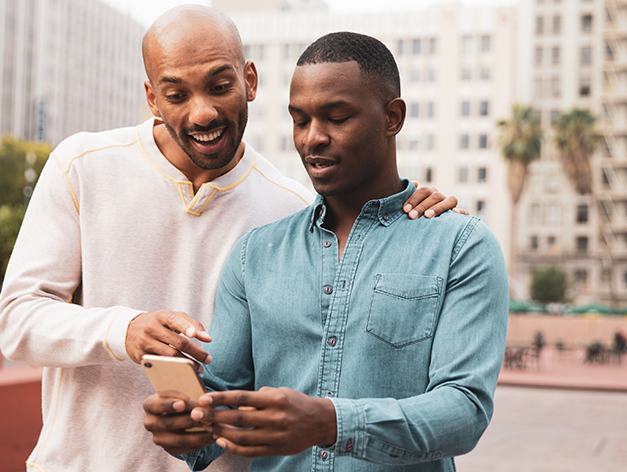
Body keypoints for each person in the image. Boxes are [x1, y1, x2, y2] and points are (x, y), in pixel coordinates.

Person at [0, 6, 457, 472]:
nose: (203, 112)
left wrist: (410, 206)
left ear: (249, 81)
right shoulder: (82, 166)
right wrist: (124, 330)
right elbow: (17, 320)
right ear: (152, 99)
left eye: (220, 86)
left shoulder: (293, 208)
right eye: (176, 94)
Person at [142, 32, 508, 472]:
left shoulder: (460, 246)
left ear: (392, 118)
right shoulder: (254, 255)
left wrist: (332, 423)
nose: (312, 139)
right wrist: (188, 429)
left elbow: (464, 412)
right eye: (300, 120)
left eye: (337, 118)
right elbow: (224, 404)